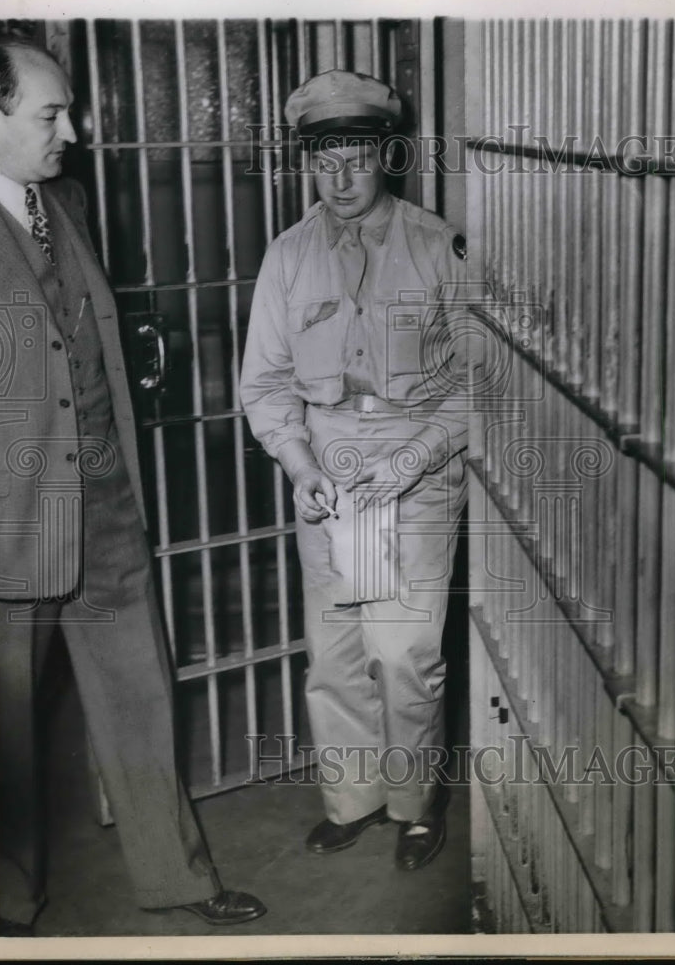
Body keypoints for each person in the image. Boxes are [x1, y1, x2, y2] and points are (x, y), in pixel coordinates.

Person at [0, 38, 266, 935]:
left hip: (106, 495)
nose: (71, 130)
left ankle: (178, 877)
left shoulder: (63, 201)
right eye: (49, 114)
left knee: (140, 696)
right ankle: (1, 908)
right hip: (5, 520)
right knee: (2, 732)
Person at [240, 70, 469, 871]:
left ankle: (413, 806)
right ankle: (354, 799)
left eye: (354, 156)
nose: (337, 178)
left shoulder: (439, 245)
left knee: (402, 650)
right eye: (323, 159)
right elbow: (264, 384)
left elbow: (478, 387)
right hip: (329, 469)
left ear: (384, 156)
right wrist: (300, 465)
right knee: (335, 649)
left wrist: (411, 461)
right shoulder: (289, 255)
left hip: (413, 464)